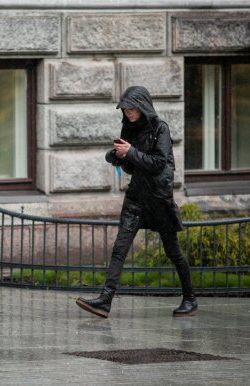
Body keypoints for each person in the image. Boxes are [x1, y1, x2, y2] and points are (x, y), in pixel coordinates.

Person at [75, 85, 197, 318]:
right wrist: (117, 156)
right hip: (136, 197)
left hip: (159, 200)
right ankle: (105, 300)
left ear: (142, 106)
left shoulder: (161, 129)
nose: (128, 113)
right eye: (125, 109)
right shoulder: (129, 128)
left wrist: (130, 152)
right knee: (120, 248)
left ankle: (190, 298)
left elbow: (158, 163)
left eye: (131, 108)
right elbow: (133, 166)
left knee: (173, 252)